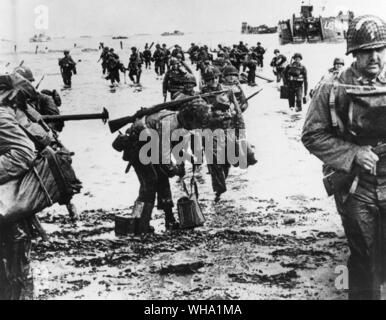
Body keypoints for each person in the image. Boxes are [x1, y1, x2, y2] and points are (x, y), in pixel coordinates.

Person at [302, 15, 386, 300]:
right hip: (356, 185)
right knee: (363, 255)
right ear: (353, 53)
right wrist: (354, 153)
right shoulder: (332, 87)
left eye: (380, 49)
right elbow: (312, 135)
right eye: (366, 51)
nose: (374, 56)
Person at [119, 97, 230, 234]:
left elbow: (176, 147)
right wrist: (173, 169)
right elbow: (164, 157)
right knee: (149, 183)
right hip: (137, 146)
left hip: (152, 145)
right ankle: (138, 222)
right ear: (190, 120)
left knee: (162, 180)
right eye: (196, 124)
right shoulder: (169, 124)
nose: (196, 127)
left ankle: (169, 220)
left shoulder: (179, 123)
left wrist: (181, 163)